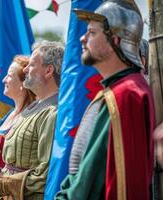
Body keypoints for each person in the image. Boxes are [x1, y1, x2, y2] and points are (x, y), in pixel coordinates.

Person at [55, 1, 155, 199]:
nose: (82, 39)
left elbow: (89, 182)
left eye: (92, 33)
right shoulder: (120, 89)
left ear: (115, 40)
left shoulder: (126, 94)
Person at [0, 41, 64, 200]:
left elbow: (46, 175)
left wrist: (8, 182)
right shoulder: (33, 109)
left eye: (31, 65)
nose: (25, 70)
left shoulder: (53, 113)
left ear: (48, 70)